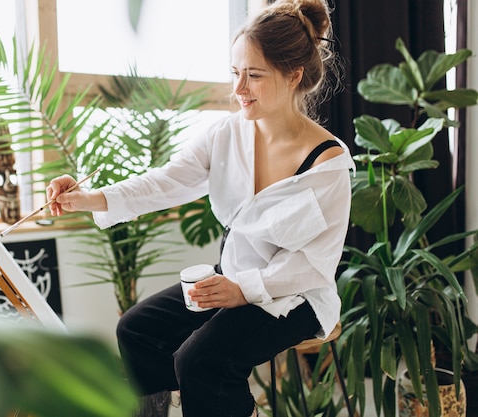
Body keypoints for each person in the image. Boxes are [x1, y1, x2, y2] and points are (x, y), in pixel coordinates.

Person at [46, 0, 354, 416]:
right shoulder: (227, 134)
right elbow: (167, 180)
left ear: (294, 75)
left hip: (293, 295)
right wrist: (90, 198)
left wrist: (242, 290)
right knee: (137, 329)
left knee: (200, 361)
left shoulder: (326, 163)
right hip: (230, 279)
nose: (239, 89)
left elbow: (314, 265)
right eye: (235, 74)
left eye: (254, 76)